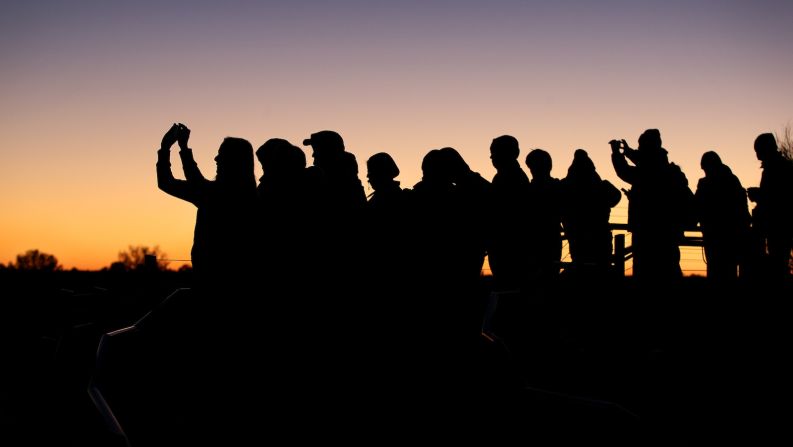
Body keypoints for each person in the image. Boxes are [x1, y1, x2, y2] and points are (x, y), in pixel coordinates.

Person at [157, 123, 257, 290]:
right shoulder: (248, 195)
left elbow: (195, 184)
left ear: (234, 161)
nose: (216, 159)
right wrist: (176, 149)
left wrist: (171, 148)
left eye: (222, 155)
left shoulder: (224, 196)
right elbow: (168, 183)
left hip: (216, 283)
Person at [610, 129, 693, 285]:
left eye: (641, 146)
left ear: (647, 149)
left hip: (646, 232)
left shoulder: (648, 172)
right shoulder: (667, 170)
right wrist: (628, 152)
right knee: (670, 270)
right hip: (669, 232)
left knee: (646, 276)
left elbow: (625, 171)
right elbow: (645, 162)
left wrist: (618, 154)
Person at [560, 149, 621, 276]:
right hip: (600, 235)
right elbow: (616, 196)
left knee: (580, 266)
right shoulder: (601, 185)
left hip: (576, 235)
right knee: (601, 270)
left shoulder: (565, 186)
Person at [694, 151, 751, 283]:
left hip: (715, 236)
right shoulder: (733, 181)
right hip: (732, 237)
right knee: (728, 272)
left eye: (705, 169)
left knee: (716, 271)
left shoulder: (705, 184)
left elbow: (696, 206)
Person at [747, 133, 793, 283]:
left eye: (758, 150)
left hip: (778, 226)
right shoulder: (780, 166)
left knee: (778, 264)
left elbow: (776, 197)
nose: (757, 155)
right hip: (779, 226)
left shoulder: (775, 168)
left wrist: (757, 195)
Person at [488, 135, 531, 290]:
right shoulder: (507, 176)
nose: (491, 157)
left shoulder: (510, 178)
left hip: (509, 248)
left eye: (494, 152)